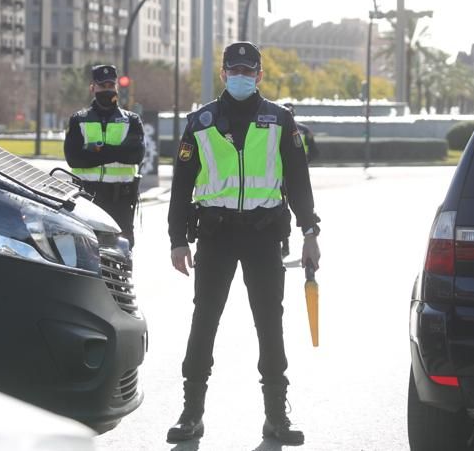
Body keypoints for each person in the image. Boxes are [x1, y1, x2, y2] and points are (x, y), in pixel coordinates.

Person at [166, 42, 321, 446]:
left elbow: (299, 181)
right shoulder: (199, 122)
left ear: (260, 75)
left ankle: (276, 418)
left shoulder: (281, 120)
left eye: (247, 70)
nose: (240, 76)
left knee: (270, 323)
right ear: (223, 74)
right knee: (204, 322)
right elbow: (181, 185)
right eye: (234, 70)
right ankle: (191, 414)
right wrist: (177, 239)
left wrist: (310, 232)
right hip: (216, 235)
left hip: (263, 233)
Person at [64, 64, 144, 248]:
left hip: (121, 201)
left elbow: (136, 155)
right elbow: (74, 158)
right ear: (93, 88)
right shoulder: (79, 119)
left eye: (110, 86)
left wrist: (94, 150)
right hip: (87, 198)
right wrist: (116, 152)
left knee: (121, 255)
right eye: (102, 86)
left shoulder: (131, 120)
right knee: (86, 252)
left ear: (116, 87)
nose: (107, 90)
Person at [279, 102, 319, 258]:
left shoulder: (276, 127)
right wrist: (302, 164)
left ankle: (285, 245)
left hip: (280, 175)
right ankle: (287, 243)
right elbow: (315, 152)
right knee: (291, 207)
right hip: (296, 175)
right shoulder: (305, 130)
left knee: (282, 209)